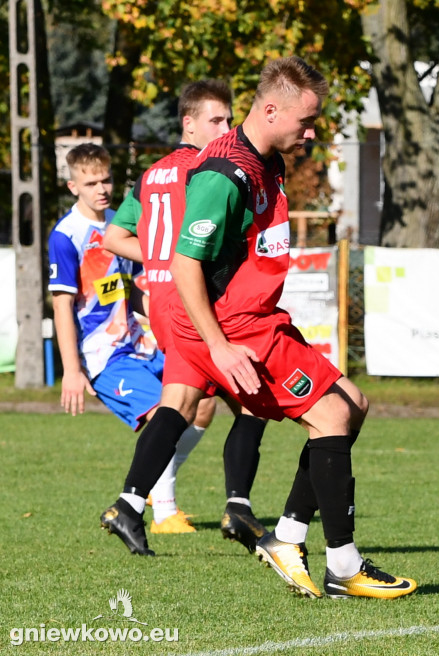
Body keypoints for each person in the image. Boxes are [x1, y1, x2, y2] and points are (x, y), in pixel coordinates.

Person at [167, 56, 416, 600]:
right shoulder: (224, 174)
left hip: (262, 318)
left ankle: (287, 536)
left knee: (354, 405)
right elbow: (185, 264)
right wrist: (219, 346)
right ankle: (343, 564)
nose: (311, 132)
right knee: (331, 413)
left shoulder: (267, 159)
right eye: (305, 121)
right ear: (271, 108)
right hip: (237, 326)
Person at [102, 80, 270, 556]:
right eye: (216, 120)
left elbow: (115, 237)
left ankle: (131, 503)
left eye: (228, 119)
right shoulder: (208, 169)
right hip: (195, 302)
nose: (226, 128)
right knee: (252, 400)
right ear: (188, 123)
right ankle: (237, 504)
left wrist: (155, 259)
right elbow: (198, 247)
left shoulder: (151, 173)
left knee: (181, 403)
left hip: (161, 302)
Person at [48, 144, 205, 539]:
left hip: (141, 343)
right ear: (73, 186)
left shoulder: (119, 222)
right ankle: (165, 512)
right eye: (91, 182)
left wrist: (162, 320)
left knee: (202, 403)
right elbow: (62, 305)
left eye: (106, 180)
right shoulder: (66, 237)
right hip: (105, 357)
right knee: (162, 414)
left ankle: (153, 484)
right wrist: (71, 369)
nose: (101, 188)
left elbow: (128, 290)